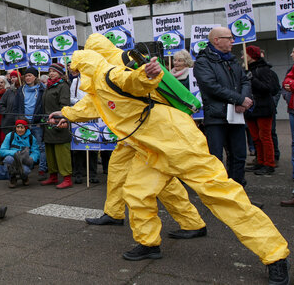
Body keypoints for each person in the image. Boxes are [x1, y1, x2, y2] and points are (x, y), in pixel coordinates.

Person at [50, 35, 289, 285]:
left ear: (84, 66)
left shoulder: (110, 74)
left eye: (74, 69)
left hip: (178, 141)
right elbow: (91, 106)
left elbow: (133, 82)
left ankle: (275, 255)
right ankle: (148, 243)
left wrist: (147, 75)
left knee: (221, 195)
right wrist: (65, 113)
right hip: (150, 148)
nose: (73, 74)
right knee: (137, 192)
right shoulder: (98, 85)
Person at [81, 34, 207, 243]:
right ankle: (113, 212)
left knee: (164, 181)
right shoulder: (118, 59)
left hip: (149, 129)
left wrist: (68, 113)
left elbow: (121, 92)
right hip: (135, 131)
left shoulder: (117, 63)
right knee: (117, 169)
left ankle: (192, 222)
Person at [193, 27, 253, 187]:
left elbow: (245, 80)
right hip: (217, 118)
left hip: (236, 116)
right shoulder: (202, 62)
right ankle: (218, 193)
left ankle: (237, 191)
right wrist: (239, 99)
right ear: (216, 40)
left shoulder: (231, 60)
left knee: (239, 156)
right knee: (216, 158)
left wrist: (243, 100)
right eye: (229, 38)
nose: (233, 41)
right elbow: (210, 86)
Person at [243, 45, 280, 175]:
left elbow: (269, 88)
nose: (242, 56)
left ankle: (269, 163)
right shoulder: (246, 70)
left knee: (265, 136)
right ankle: (260, 161)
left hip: (263, 107)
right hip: (251, 108)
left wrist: (252, 79)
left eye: (245, 54)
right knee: (255, 138)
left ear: (251, 56)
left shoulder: (264, 70)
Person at [39, 63, 73, 188]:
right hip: (47, 124)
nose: (51, 73)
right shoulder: (48, 86)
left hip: (59, 123)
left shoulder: (63, 86)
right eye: (50, 71)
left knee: (62, 152)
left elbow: (65, 105)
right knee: (50, 152)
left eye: (54, 71)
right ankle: (53, 176)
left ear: (60, 73)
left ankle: (67, 178)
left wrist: (58, 118)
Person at [13, 67, 47, 180]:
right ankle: (26, 167)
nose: (27, 78)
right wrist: (18, 119)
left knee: (40, 147)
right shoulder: (20, 89)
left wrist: (41, 119)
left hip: (37, 123)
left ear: (35, 77)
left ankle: (42, 169)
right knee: (24, 146)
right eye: (26, 76)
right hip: (24, 123)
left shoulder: (42, 89)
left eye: (30, 75)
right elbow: (17, 106)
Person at [1, 118, 39, 187]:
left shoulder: (31, 138)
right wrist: (15, 153)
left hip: (25, 160)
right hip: (13, 159)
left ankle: (24, 177)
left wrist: (32, 158)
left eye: (22, 127)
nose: (19, 130)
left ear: (26, 128)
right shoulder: (10, 136)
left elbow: (35, 151)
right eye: (18, 127)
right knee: (8, 160)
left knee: (26, 171)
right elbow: (2, 151)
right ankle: (12, 178)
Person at [281, 46, 294, 180]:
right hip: (292, 110)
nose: (291, 55)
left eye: (293, 52)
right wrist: (288, 96)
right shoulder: (291, 69)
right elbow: (286, 83)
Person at [0, 70, 22, 138]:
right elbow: (1, 104)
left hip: (21, 121)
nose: (12, 79)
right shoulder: (9, 91)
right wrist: (6, 113)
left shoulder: (24, 90)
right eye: (11, 78)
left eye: (14, 77)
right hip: (9, 122)